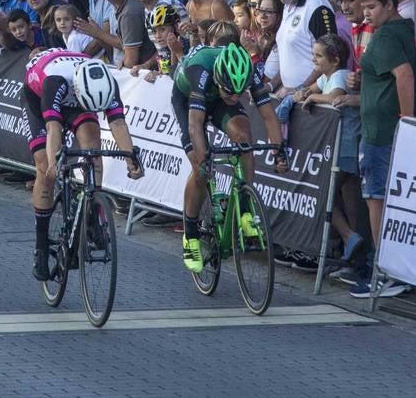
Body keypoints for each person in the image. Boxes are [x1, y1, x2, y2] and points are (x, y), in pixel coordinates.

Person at [25, 51, 144, 281]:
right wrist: (54, 163)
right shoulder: (55, 80)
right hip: (38, 97)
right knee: (44, 167)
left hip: (80, 99)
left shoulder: (106, 83)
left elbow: (118, 123)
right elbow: (53, 129)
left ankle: (91, 209)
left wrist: (131, 159)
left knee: (92, 141)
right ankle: (40, 247)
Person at [170, 41, 286, 273]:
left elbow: (269, 116)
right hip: (187, 100)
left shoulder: (248, 72)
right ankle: (191, 236)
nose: (235, 97)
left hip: (215, 100)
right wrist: (202, 160)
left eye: (240, 92)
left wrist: (278, 151)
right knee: (201, 169)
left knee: (244, 139)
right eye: (230, 92)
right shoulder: (199, 72)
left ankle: (244, 208)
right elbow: (195, 126)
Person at [351, 0, 415, 299]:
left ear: (390, 4)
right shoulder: (398, 30)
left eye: (372, 7)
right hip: (381, 127)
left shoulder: (388, 34)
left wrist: (406, 118)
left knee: (375, 198)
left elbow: (403, 73)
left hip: (381, 133)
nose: (366, 15)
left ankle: (384, 271)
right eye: (364, 8)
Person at [297, 34, 366, 268]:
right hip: (340, 146)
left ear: (335, 60)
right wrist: (301, 93)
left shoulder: (340, 75)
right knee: (346, 197)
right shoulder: (328, 75)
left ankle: (349, 237)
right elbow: (310, 89)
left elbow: (334, 97)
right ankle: (354, 249)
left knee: (323, 196)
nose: (313, 60)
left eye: (318, 56)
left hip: (345, 146)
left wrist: (313, 96)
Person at [272, 0, 338, 94]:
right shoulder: (288, 4)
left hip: (313, 99)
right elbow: (288, 57)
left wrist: (301, 89)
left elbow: (330, 57)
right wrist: (272, 85)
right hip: (291, 96)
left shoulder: (317, 7)